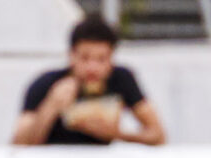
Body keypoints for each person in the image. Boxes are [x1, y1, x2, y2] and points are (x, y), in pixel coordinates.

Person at [12, 16, 166, 148]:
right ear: (71, 56)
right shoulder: (47, 83)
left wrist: (116, 134)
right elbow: (19, 144)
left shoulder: (121, 80)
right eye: (85, 58)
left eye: (101, 59)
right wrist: (51, 106)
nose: (92, 68)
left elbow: (158, 135)